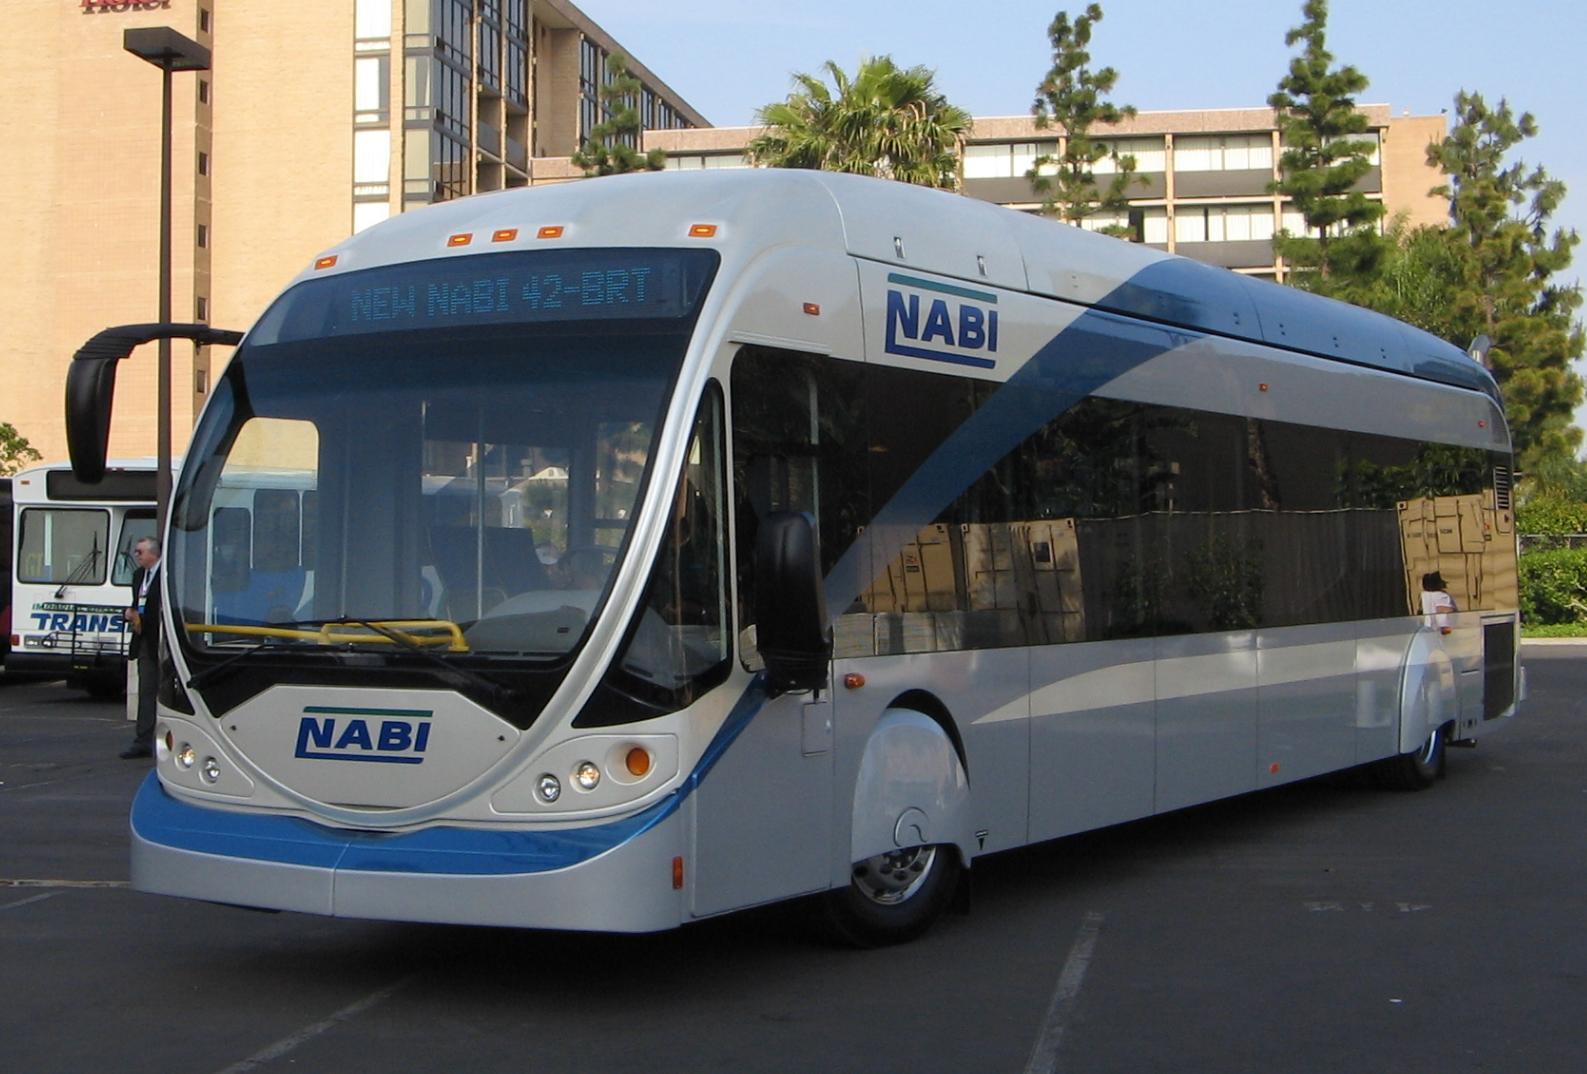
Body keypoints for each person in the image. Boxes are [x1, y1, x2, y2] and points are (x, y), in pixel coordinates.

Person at [120, 537, 161, 759]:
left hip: (163, 639)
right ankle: (143, 740)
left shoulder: (166, 574)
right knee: (146, 691)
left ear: (153, 554)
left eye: (140, 551)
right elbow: (137, 603)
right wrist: (129, 613)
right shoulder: (138, 576)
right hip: (144, 639)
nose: (136, 555)